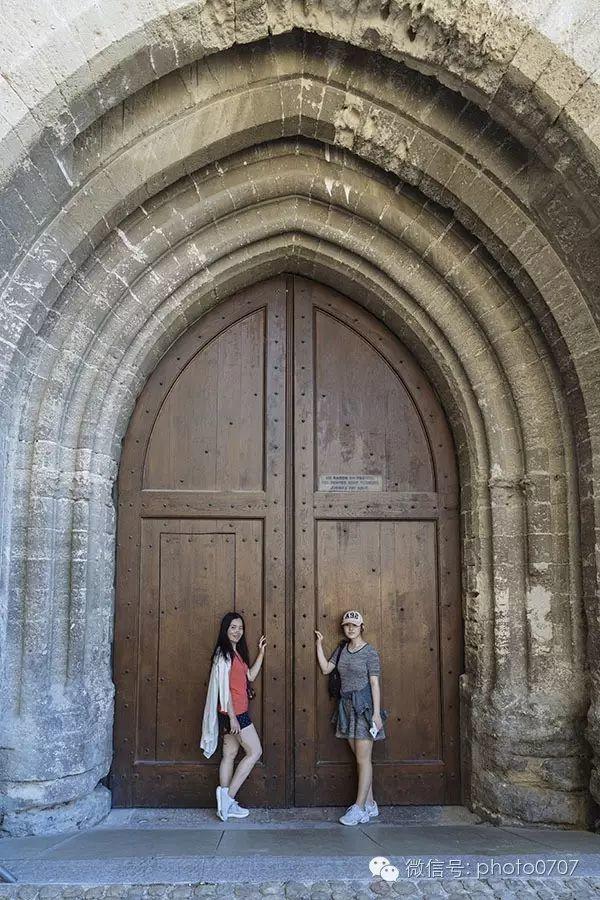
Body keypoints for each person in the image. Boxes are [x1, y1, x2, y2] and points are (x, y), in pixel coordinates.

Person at [315, 609, 386, 826]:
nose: (350, 628)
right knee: (359, 757)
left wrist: (376, 713)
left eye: (354, 625)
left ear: (362, 627)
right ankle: (371, 804)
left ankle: (359, 808)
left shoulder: (370, 653)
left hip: (363, 707)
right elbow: (327, 669)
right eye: (347, 625)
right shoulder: (342, 650)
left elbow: (374, 683)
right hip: (346, 707)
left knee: (363, 759)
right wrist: (319, 645)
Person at [200, 611, 266, 821]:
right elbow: (223, 689)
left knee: (229, 754)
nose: (237, 632)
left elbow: (250, 676)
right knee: (255, 751)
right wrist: (233, 717)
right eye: (233, 628)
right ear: (225, 630)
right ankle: (228, 798)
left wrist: (261, 653)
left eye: (240, 628)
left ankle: (225, 805)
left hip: (231, 714)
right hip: (234, 713)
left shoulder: (236, 654)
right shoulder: (223, 654)